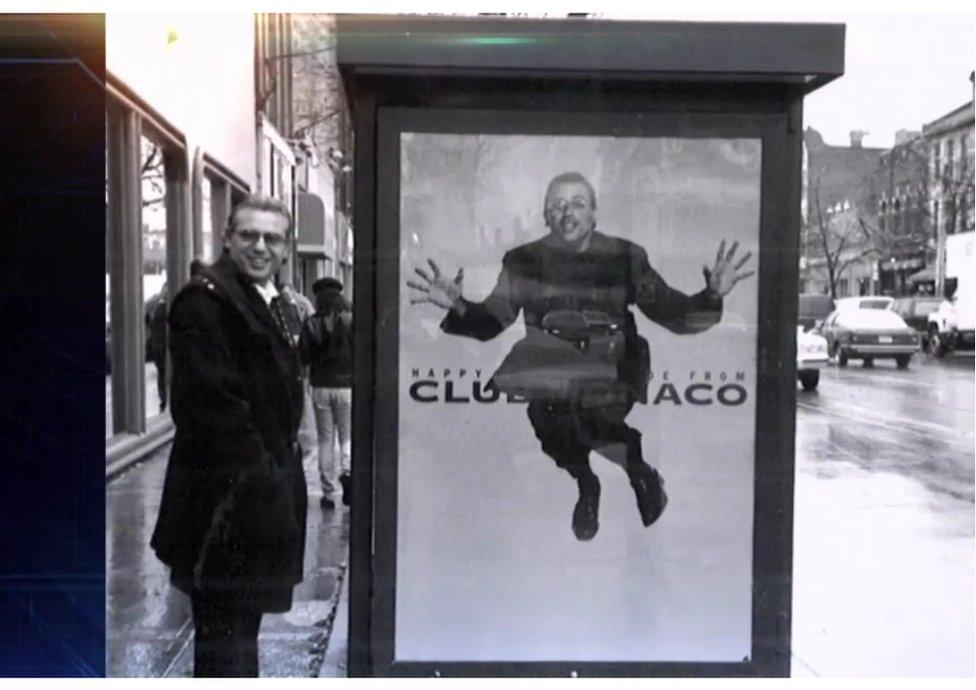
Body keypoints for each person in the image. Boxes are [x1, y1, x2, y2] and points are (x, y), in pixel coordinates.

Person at [408, 171, 753, 541]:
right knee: (550, 428)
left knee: (590, 416)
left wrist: (713, 295)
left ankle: (638, 469)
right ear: (546, 216)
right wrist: (456, 304)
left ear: (593, 213)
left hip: (612, 363)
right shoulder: (523, 261)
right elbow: (494, 319)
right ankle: (587, 484)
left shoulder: (626, 257)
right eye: (557, 205)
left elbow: (672, 312)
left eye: (577, 203)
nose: (567, 212)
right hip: (548, 365)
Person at [150, 194, 307, 677]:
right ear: (227, 238)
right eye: (248, 235)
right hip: (224, 512)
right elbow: (214, 412)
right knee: (226, 647)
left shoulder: (264, 299)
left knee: (239, 638)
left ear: (286, 249)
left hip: (248, 507)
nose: (260, 247)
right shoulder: (205, 302)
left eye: (272, 238)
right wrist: (268, 480)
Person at [299, 284, 353, 509]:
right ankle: (349, 474)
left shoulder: (311, 323)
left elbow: (303, 357)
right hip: (347, 386)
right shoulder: (351, 321)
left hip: (321, 386)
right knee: (347, 436)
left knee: (325, 440)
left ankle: (329, 493)